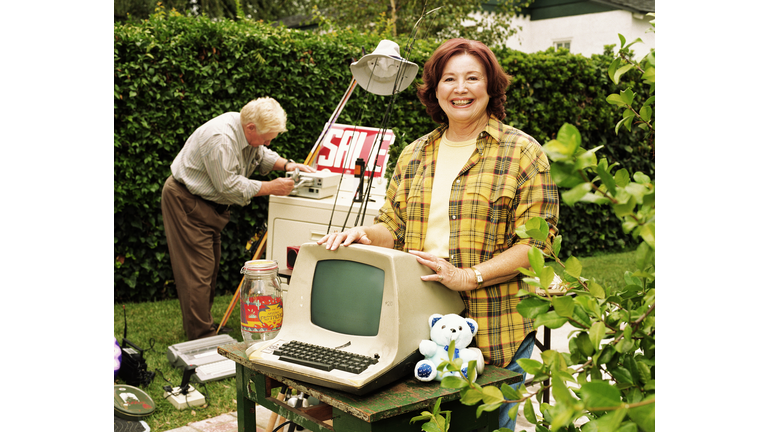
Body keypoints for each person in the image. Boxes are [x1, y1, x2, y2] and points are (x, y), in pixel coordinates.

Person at [318, 39, 559, 429]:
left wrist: (467, 276)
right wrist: (363, 234)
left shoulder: (523, 153)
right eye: (449, 79)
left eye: (472, 78)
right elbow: (392, 226)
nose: (460, 89)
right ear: (434, 89)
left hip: (496, 326)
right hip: (417, 325)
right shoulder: (415, 154)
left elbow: (537, 245)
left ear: (490, 87)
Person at [161, 97, 315, 341]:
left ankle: (205, 327)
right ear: (251, 128)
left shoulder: (247, 129)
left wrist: (288, 164)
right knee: (197, 273)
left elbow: (260, 154)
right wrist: (271, 187)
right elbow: (228, 186)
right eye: (267, 137)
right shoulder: (220, 139)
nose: (268, 142)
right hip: (187, 202)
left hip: (208, 204)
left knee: (208, 271)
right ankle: (202, 339)